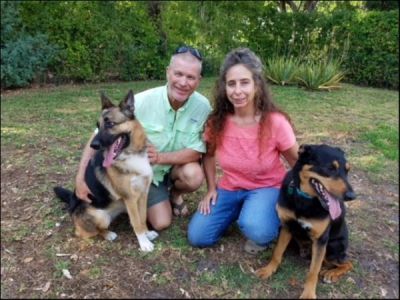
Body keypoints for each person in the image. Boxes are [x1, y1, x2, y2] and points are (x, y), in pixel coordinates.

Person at [75, 46, 212, 231]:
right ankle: (136, 201)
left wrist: (161, 158)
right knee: (161, 222)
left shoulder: (203, 107)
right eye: (178, 74)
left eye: (190, 77)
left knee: (194, 175)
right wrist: (80, 179)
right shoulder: (142, 101)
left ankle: (175, 194)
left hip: (175, 169)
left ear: (198, 80)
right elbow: (98, 134)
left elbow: (198, 151)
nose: (183, 82)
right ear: (168, 72)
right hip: (147, 174)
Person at [187, 48, 299, 254]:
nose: (237, 91)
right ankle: (242, 210)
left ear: (257, 84)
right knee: (198, 236)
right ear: (224, 87)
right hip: (230, 188)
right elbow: (209, 156)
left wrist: (294, 198)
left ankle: (258, 214)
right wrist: (211, 189)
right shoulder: (217, 121)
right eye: (231, 84)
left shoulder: (275, 122)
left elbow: (297, 163)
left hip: (267, 187)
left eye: (244, 82)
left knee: (258, 230)